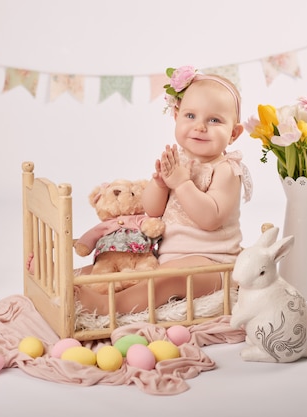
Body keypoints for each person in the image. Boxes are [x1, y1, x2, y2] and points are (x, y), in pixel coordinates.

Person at [33, 66, 252, 316]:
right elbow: (152, 210)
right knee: (128, 269)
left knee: (164, 279)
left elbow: (210, 218)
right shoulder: (177, 161)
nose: (200, 127)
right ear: (176, 116)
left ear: (233, 133)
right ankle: (67, 280)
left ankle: (105, 307)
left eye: (214, 120)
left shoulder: (226, 169)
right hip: (166, 258)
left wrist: (181, 184)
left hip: (213, 266)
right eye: (191, 116)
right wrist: (159, 184)